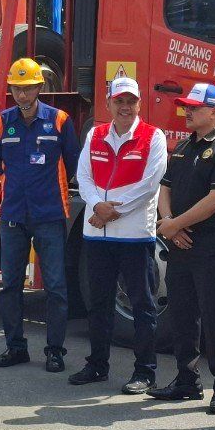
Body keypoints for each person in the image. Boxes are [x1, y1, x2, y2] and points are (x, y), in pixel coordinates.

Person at [70, 76, 168, 393]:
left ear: (139, 104)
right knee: (98, 305)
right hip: (97, 235)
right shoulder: (95, 135)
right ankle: (97, 365)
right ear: (109, 104)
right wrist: (98, 205)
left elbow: (150, 184)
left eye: (131, 101)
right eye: (119, 101)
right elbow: (83, 176)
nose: (125, 107)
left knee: (142, 306)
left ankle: (145, 371)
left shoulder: (153, 137)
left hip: (134, 237)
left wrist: (113, 211)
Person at [148, 83, 215, 414]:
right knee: (182, 313)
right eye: (186, 106)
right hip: (180, 242)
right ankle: (187, 381)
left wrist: (175, 225)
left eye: (195, 107)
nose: (187, 111)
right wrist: (170, 224)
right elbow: (164, 188)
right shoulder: (183, 146)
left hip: (213, 244)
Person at [0, 58, 80, 373]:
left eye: (28, 89)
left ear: (40, 87)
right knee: (10, 285)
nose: (22, 95)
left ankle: (55, 351)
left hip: (49, 215)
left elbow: (73, 162)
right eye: (16, 88)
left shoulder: (59, 121)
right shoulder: (2, 122)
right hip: (13, 215)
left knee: (55, 286)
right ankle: (15, 348)